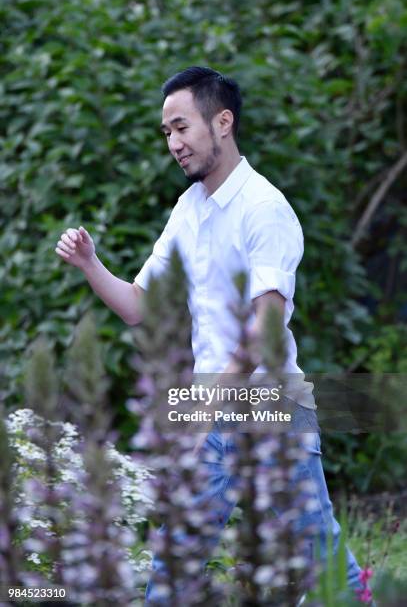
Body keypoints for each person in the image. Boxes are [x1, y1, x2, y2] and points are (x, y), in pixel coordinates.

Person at [55, 66, 367, 604]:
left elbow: (262, 331)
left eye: (183, 128)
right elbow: (138, 307)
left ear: (222, 122)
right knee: (174, 561)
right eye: (167, 133)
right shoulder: (189, 209)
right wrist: (90, 263)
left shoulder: (264, 209)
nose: (174, 144)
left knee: (320, 555)